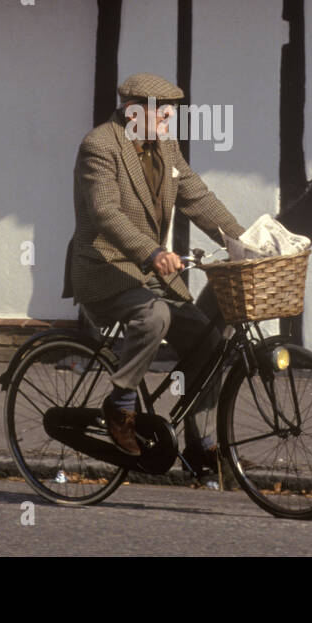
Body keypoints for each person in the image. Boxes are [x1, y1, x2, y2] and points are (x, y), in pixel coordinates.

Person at [62, 72, 244, 477]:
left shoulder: (166, 146)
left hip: (146, 273)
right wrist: (152, 252)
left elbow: (197, 197)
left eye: (170, 115)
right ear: (132, 113)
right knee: (154, 316)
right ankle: (120, 405)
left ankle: (204, 445)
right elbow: (105, 213)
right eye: (162, 114)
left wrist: (245, 242)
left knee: (207, 338)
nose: (167, 122)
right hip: (104, 269)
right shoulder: (99, 146)